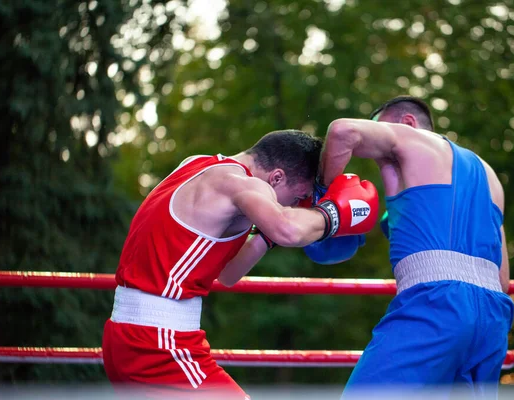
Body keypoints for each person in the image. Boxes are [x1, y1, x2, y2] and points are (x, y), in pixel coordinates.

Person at [102, 129, 379, 399]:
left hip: (131, 335)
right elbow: (289, 230)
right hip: (158, 343)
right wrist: (334, 214)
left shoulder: (197, 165)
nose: (295, 205)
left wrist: (267, 235)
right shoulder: (242, 184)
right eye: (296, 198)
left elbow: (228, 274)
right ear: (277, 177)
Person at [318, 96, 514, 398]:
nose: (379, 159)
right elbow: (503, 280)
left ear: (408, 123)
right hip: (493, 319)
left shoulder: (412, 139)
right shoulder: (490, 177)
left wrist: (325, 194)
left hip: (436, 306)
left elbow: (342, 131)